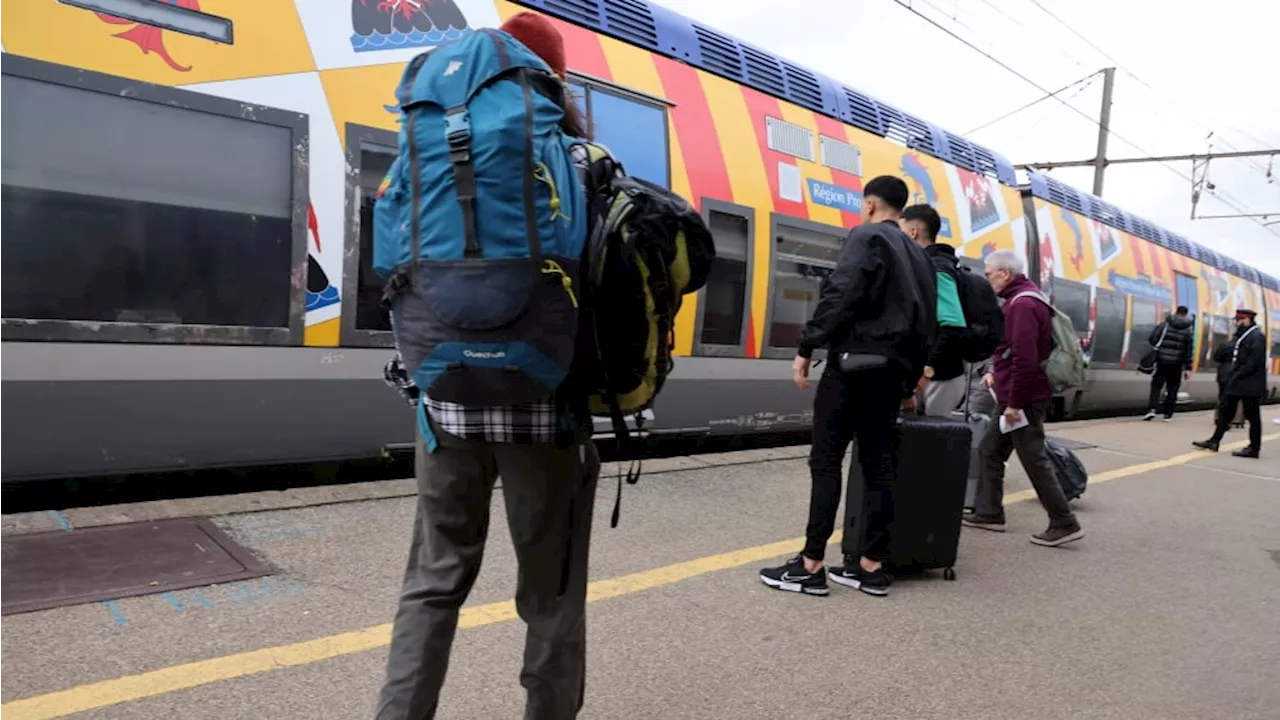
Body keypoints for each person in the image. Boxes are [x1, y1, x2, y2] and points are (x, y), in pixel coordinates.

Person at [376, 13, 600, 720]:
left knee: (433, 579)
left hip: (444, 400)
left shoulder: (420, 145)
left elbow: (392, 268)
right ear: (550, 80)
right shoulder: (578, 157)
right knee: (550, 594)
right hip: (545, 407)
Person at [759, 175, 936, 598]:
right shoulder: (919, 255)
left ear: (871, 205)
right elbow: (929, 324)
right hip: (892, 374)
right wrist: (909, 380)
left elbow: (841, 292)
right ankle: (870, 567)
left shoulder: (868, 236)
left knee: (826, 462)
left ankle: (810, 564)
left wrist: (807, 345)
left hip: (853, 367)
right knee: (879, 467)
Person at [962, 250, 1084, 547]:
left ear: (1005, 273)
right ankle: (990, 512)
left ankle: (1064, 521)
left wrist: (1015, 403)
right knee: (991, 450)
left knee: (1034, 459)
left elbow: (1025, 359)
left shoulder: (1024, 304)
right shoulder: (1027, 299)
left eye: (989, 273)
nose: (987, 279)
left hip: (1022, 399)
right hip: (1015, 395)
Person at [900, 203, 968, 416]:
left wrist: (926, 372)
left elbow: (952, 326)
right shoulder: (925, 265)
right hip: (932, 377)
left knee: (929, 444)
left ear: (913, 232)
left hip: (940, 379)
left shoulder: (937, 268)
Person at [1194, 308, 1267, 458]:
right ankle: (1214, 441)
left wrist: (1237, 374)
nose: (1237, 323)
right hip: (1238, 382)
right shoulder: (1244, 336)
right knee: (1225, 411)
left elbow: (1253, 361)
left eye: (1239, 320)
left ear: (1247, 320)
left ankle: (1254, 448)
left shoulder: (1256, 336)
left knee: (1252, 416)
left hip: (1249, 384)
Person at [1143, 306, 1194, 421]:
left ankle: (1151, 410)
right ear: (1186, 314)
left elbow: (1152, 339)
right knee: (1173, 388)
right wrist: (1188, 367)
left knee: (1156, 386)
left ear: (1176, 312)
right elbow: (1188, 350)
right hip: (1177, 364)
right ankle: (1168, 414)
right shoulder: (1188, 330)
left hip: (1161, 361)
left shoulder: (1164, 325)